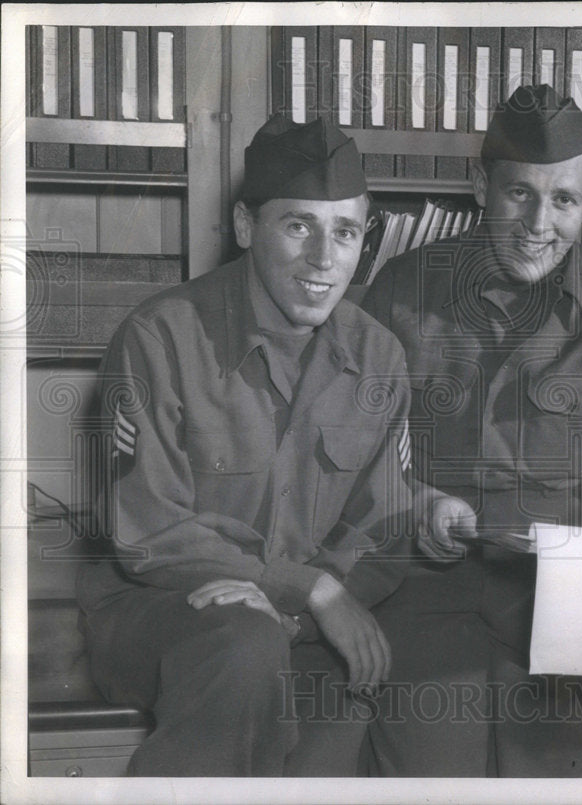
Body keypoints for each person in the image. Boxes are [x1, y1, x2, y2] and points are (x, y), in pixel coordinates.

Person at [359, 84, 582, 776]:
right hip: (422, 585)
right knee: (429, 772)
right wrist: (413, 501)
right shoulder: (399, 291)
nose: (538, 223)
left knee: (561, 776)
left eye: (564, 200)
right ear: (482, 185)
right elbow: (353, 458)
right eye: (519, 195)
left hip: (562, 597)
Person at [75, 115, 413, 776]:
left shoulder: (380, 355)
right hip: (160, 604)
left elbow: (383, 528)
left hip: (307, 622)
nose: (324, 258)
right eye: (298, 226)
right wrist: (300, 588)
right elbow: (151, 533)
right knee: (245, 645)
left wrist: (309, 608)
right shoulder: (159, 337)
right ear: (243, 227)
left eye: (345, 232)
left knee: (368, 690)